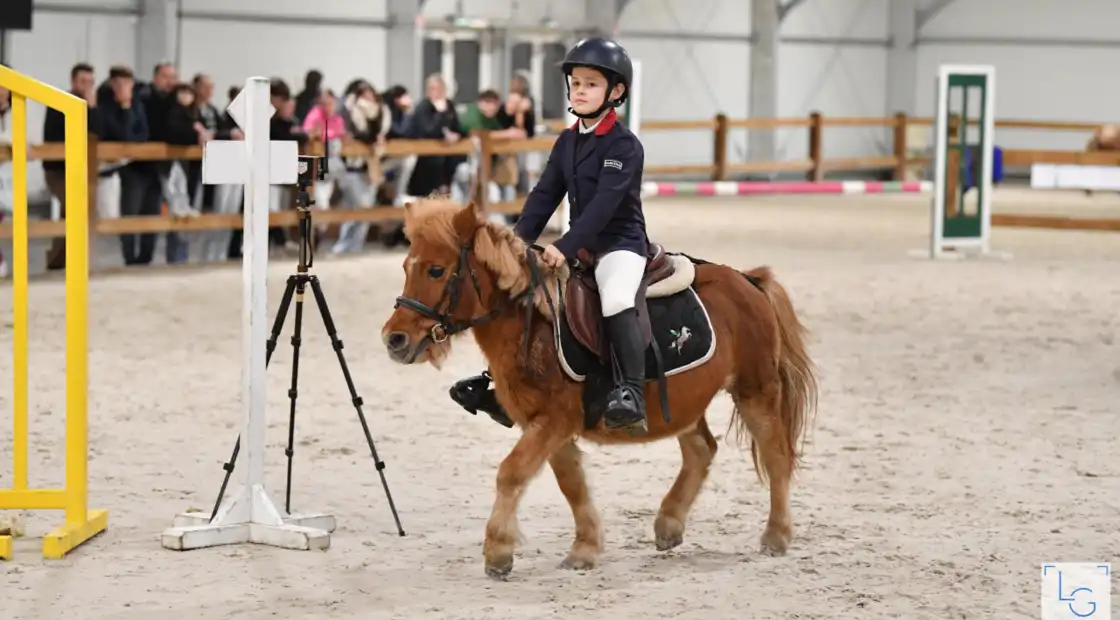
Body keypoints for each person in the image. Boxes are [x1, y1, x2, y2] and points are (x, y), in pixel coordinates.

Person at [448, 37, 649, 435]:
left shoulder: (624, 146)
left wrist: (566, 246)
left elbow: (604, 207)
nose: (580, 91)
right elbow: (544, 195)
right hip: (578, 247)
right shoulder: (568, 140)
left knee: (615, 298)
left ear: (616, 92)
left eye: (591, 84)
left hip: (619, 245)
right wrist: (515, 245)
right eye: (576, 83)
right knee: (523, 294)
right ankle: (502, 385)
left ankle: (632, 392)